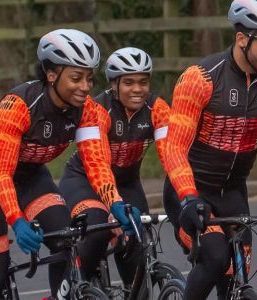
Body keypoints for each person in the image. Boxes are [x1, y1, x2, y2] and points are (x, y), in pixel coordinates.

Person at [0, 29, 125, 299]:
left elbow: (97, 164)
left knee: (66, 242)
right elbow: (2, 175)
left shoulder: (88, 111)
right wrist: (17, 221)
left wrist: (116, 203)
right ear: (52, 75)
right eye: (76, 78)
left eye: (90, 78)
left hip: (30, 177)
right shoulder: (18, 106)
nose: (86, 86)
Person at [161, 0, 257, 298]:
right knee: (216, 258)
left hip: (233, 192)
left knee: (237, 272)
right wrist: (189, 198)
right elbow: (174, 148)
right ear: (242, 39)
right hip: (190, 191)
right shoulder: (200, 79)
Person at [58, 47, 170, 288]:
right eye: (129, 82)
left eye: (143, 82)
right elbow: (98, 164)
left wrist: (186, 195)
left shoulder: (157, 108)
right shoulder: (98, 110)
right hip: (85, 181)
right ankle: (69, 288)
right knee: (98, 230)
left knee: (138, 244)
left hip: (127, 183)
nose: (137, 89)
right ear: (114, 84)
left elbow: (173, 155)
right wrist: (112, 203)